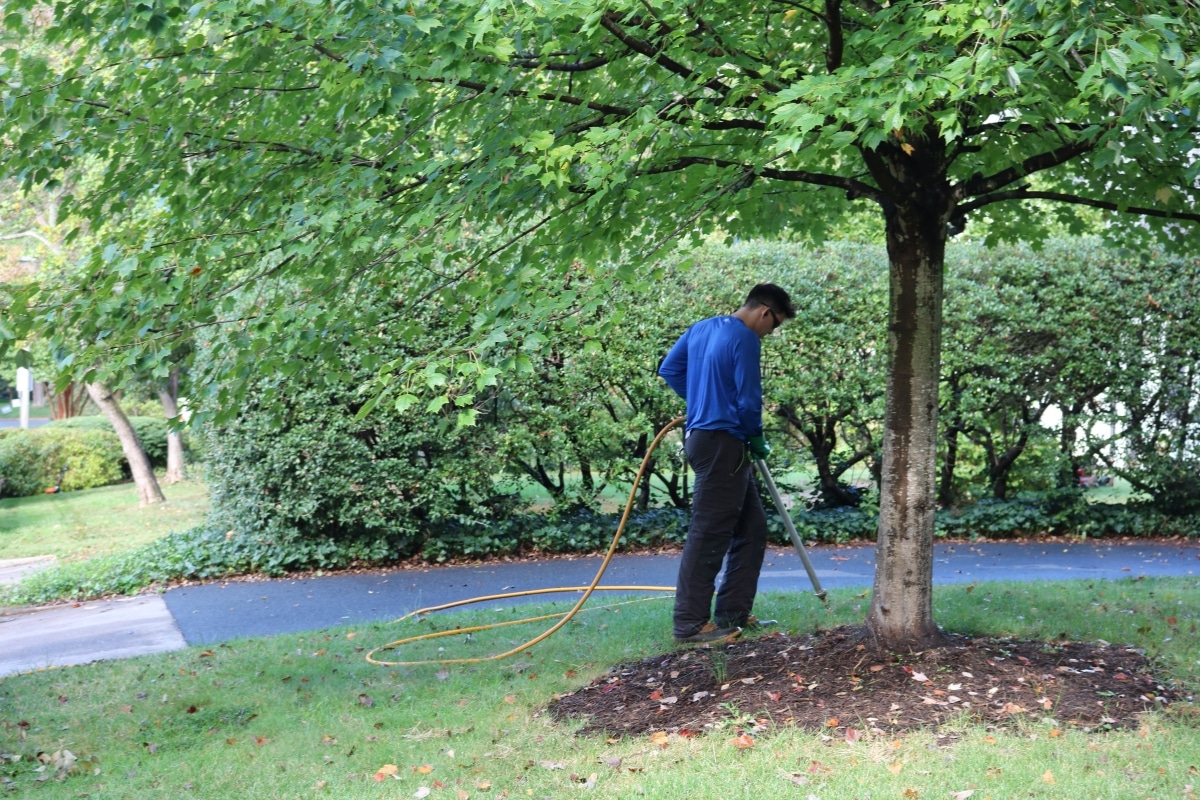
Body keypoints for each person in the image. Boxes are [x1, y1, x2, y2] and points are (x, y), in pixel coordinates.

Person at [658, 283, 795, 644]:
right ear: (765, 312)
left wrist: (704, 398)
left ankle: (733, 613)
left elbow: (670, 369)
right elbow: (749, 397)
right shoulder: (746, 339)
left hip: (704, 440)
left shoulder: (700, 328)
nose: (771, 331)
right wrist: (755, 433)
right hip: (724, 443)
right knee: (709, 532)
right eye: (775, 324)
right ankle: (689, 625)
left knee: (752, 527)